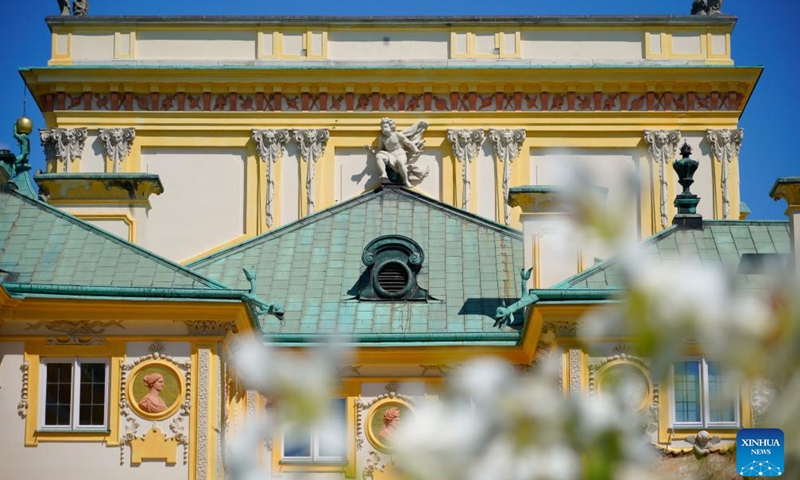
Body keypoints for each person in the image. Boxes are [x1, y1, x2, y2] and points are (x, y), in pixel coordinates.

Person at [364, 118, 429, 187]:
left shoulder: (397, 135)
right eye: (382, 127)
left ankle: (406, 181)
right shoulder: (382, 137)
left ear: (391, 127)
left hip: (400, 154)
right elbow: (379, 149)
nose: (383, 129)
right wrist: (371, 150)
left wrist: (416, 150)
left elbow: (409, 143)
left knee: (400, 162)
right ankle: (384, 173)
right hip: (390, 155)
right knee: (379, 156)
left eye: (385, 127)